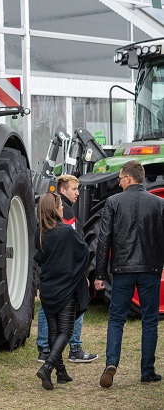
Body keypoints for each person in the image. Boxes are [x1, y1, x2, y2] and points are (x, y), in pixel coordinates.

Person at [94, 160, 164, 388]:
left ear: (129, 178)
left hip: (122, 270)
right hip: (150, 269)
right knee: (150, 321)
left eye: (120, 178)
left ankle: (111, 363)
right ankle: (148, 371)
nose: (118, 182)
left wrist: (100, 274)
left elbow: (103, 240)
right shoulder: (158, 203)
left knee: (116, 319)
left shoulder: (113, 202)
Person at [36, 174, 98, 363]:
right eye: (74, 189)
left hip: (49, 276)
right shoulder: (66, 213)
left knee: (48, 311)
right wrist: (82, 273)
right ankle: (74, 348)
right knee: (71, 313)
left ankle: (46, 351)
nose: (78, 193)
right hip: (66, 274)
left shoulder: (43, 221)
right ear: (62, 191)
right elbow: (74, 245)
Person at [34, 192, 90, 390]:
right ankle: (48, 366)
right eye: (60, 206)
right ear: (55, 209)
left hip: (48, 287)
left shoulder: (38, 232)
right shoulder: (66, 231)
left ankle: (61, 372)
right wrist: (79, 274)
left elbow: (39, 258)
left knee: (54, 329)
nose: (62, 209)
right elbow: (84, 252)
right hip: (66, 287)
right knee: (66, 330)